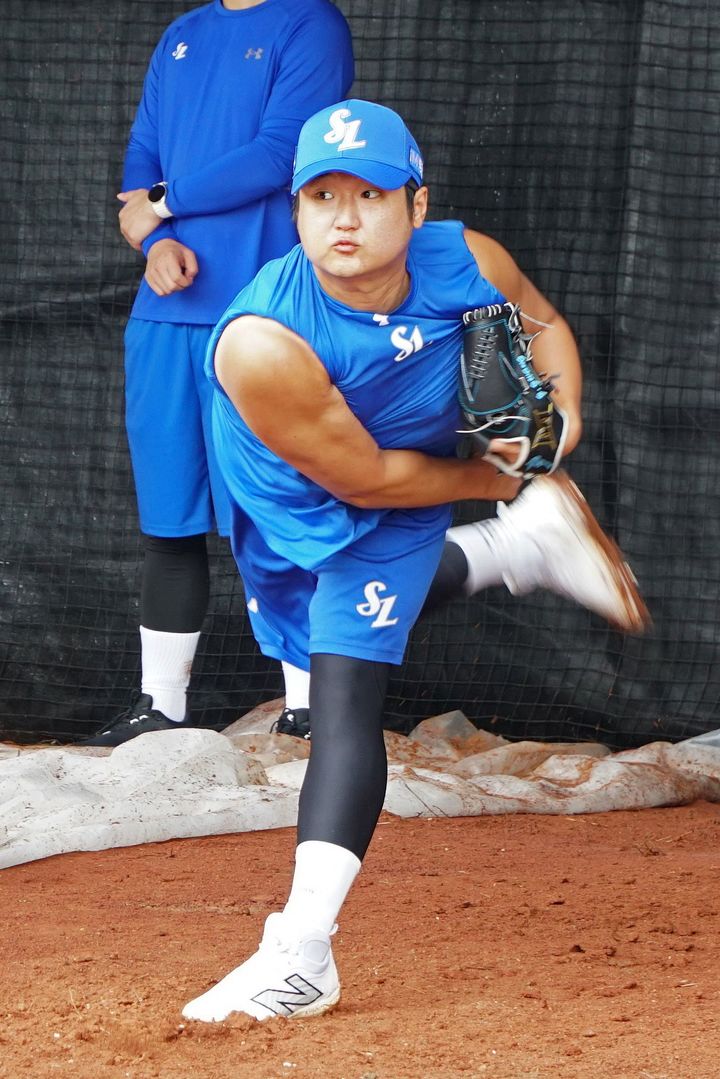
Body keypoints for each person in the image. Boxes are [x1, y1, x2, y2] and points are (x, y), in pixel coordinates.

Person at [180, 99, 648, 1022]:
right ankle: (519, 545)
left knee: (338, 693)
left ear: (416, 203)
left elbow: (542, 323)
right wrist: (502, 481)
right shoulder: (262, 340)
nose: (344, 218)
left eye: (370, 194)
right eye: (321, 196)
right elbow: (368, 480)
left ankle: (302, 953)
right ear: (295, 208)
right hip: (310, 492)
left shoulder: (467, 259)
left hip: (409, 464)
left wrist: (560, 416)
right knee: (318, 631)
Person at [82, 0, 354, 747]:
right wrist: (154, 242)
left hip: (266, 315)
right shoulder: (183, 33)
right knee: (168, 523)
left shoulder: (310, 23)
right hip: (167, 313)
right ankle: (160, 707)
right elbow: (144, 154)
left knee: (279, 514)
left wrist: (162, 205)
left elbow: (280, 154)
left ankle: (308, 706)